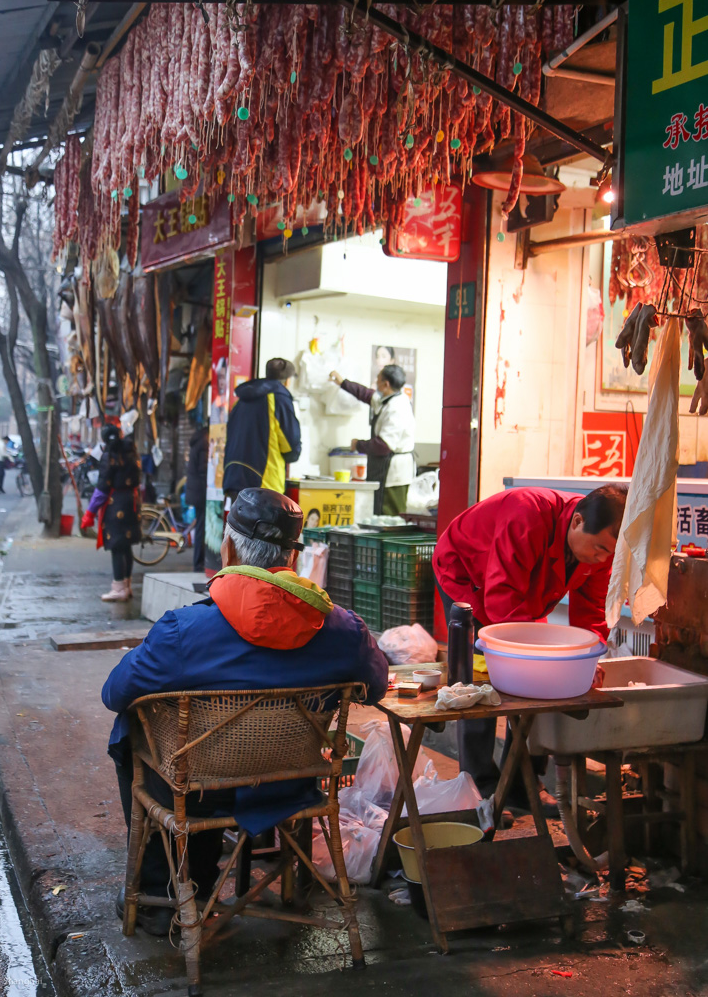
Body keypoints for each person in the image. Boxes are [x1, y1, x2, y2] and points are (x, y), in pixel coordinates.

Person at [102, 487, 389, 935]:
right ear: (291, 559)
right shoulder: (343, 628)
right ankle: (202, 881)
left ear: (229, 547)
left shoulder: (184, 629)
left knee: (130, 729)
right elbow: (378, 686)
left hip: (201, 789)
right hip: (293, 778)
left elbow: (114, 693)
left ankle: (164, 893)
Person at [433, 483, 629, 805]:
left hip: (524, 595)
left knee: (540, 682)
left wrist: (587, 661)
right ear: (578, 521)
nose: (602, 558)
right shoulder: (526, 514)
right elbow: (502, 596)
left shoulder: (601, 549)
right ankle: (479, 786)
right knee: (480, 679)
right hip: (468, 577)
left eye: (609, 553)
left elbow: (592, 609)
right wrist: (535, 655)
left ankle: (522, 782)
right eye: (599, 549)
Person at [329, 365, 415, 515]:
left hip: (393, 474)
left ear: (386, 384)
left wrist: (358, 445)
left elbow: (383, 445)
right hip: (384, 469)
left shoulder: (397, 407)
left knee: (389, 516)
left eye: (378, 380)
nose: (376, 383)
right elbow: (367, 395)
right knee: (378, 512)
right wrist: (343, 383)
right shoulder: (388, 399)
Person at [223, 358, 301, 500]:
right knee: (262, 523)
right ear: (288, 381)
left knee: (239, 522)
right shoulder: (278, 399)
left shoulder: (241, 401)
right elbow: (291, 447)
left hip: (234, 479)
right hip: (263, 483)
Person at [80, 424, 142, 602]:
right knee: (126, 545)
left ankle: (118, 587)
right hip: (132, 502)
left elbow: (102, 489)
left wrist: (89, 513)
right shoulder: (131, 452)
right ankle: (127, 586)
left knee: (116, 546)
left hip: (116, 505)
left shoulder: (109, 456)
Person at [185, 423, 209, 572]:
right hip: (202, 491)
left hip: (196, 491)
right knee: (202, 526)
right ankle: (199, 563)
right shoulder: (204, 443)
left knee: (201, 525)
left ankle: (199, 561)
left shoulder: (199, 440)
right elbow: (204, 469)